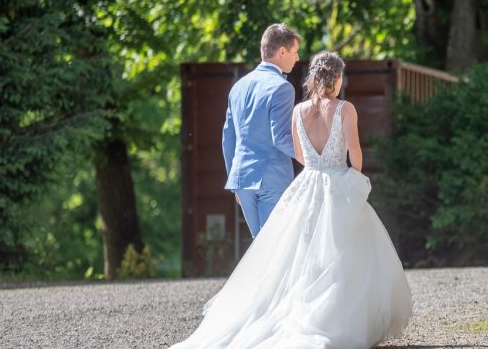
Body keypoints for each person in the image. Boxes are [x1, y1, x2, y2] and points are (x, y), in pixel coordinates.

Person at [172, 51, 413, 349]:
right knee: (341, 252)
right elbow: (356, 154)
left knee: (297, 252)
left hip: (307, 184)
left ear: (313, 77)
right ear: (337, 78)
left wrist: (315, 164)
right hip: (337, 181)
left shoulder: (298, 111)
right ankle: (335, 318)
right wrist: (351, 178)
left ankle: (292, 309)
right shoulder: (345, 109)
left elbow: (299, 154)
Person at [223, 23, 300, 237]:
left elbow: (228, 139)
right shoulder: (282, 87)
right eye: (295, 52)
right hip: (272, 177)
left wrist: (234, 181)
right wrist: (312, 157)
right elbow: (282, 139)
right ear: (282, 51)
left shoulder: (237, 87)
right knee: (274, 247)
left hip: (241, 178)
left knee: (261, 248)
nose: (297, 58)